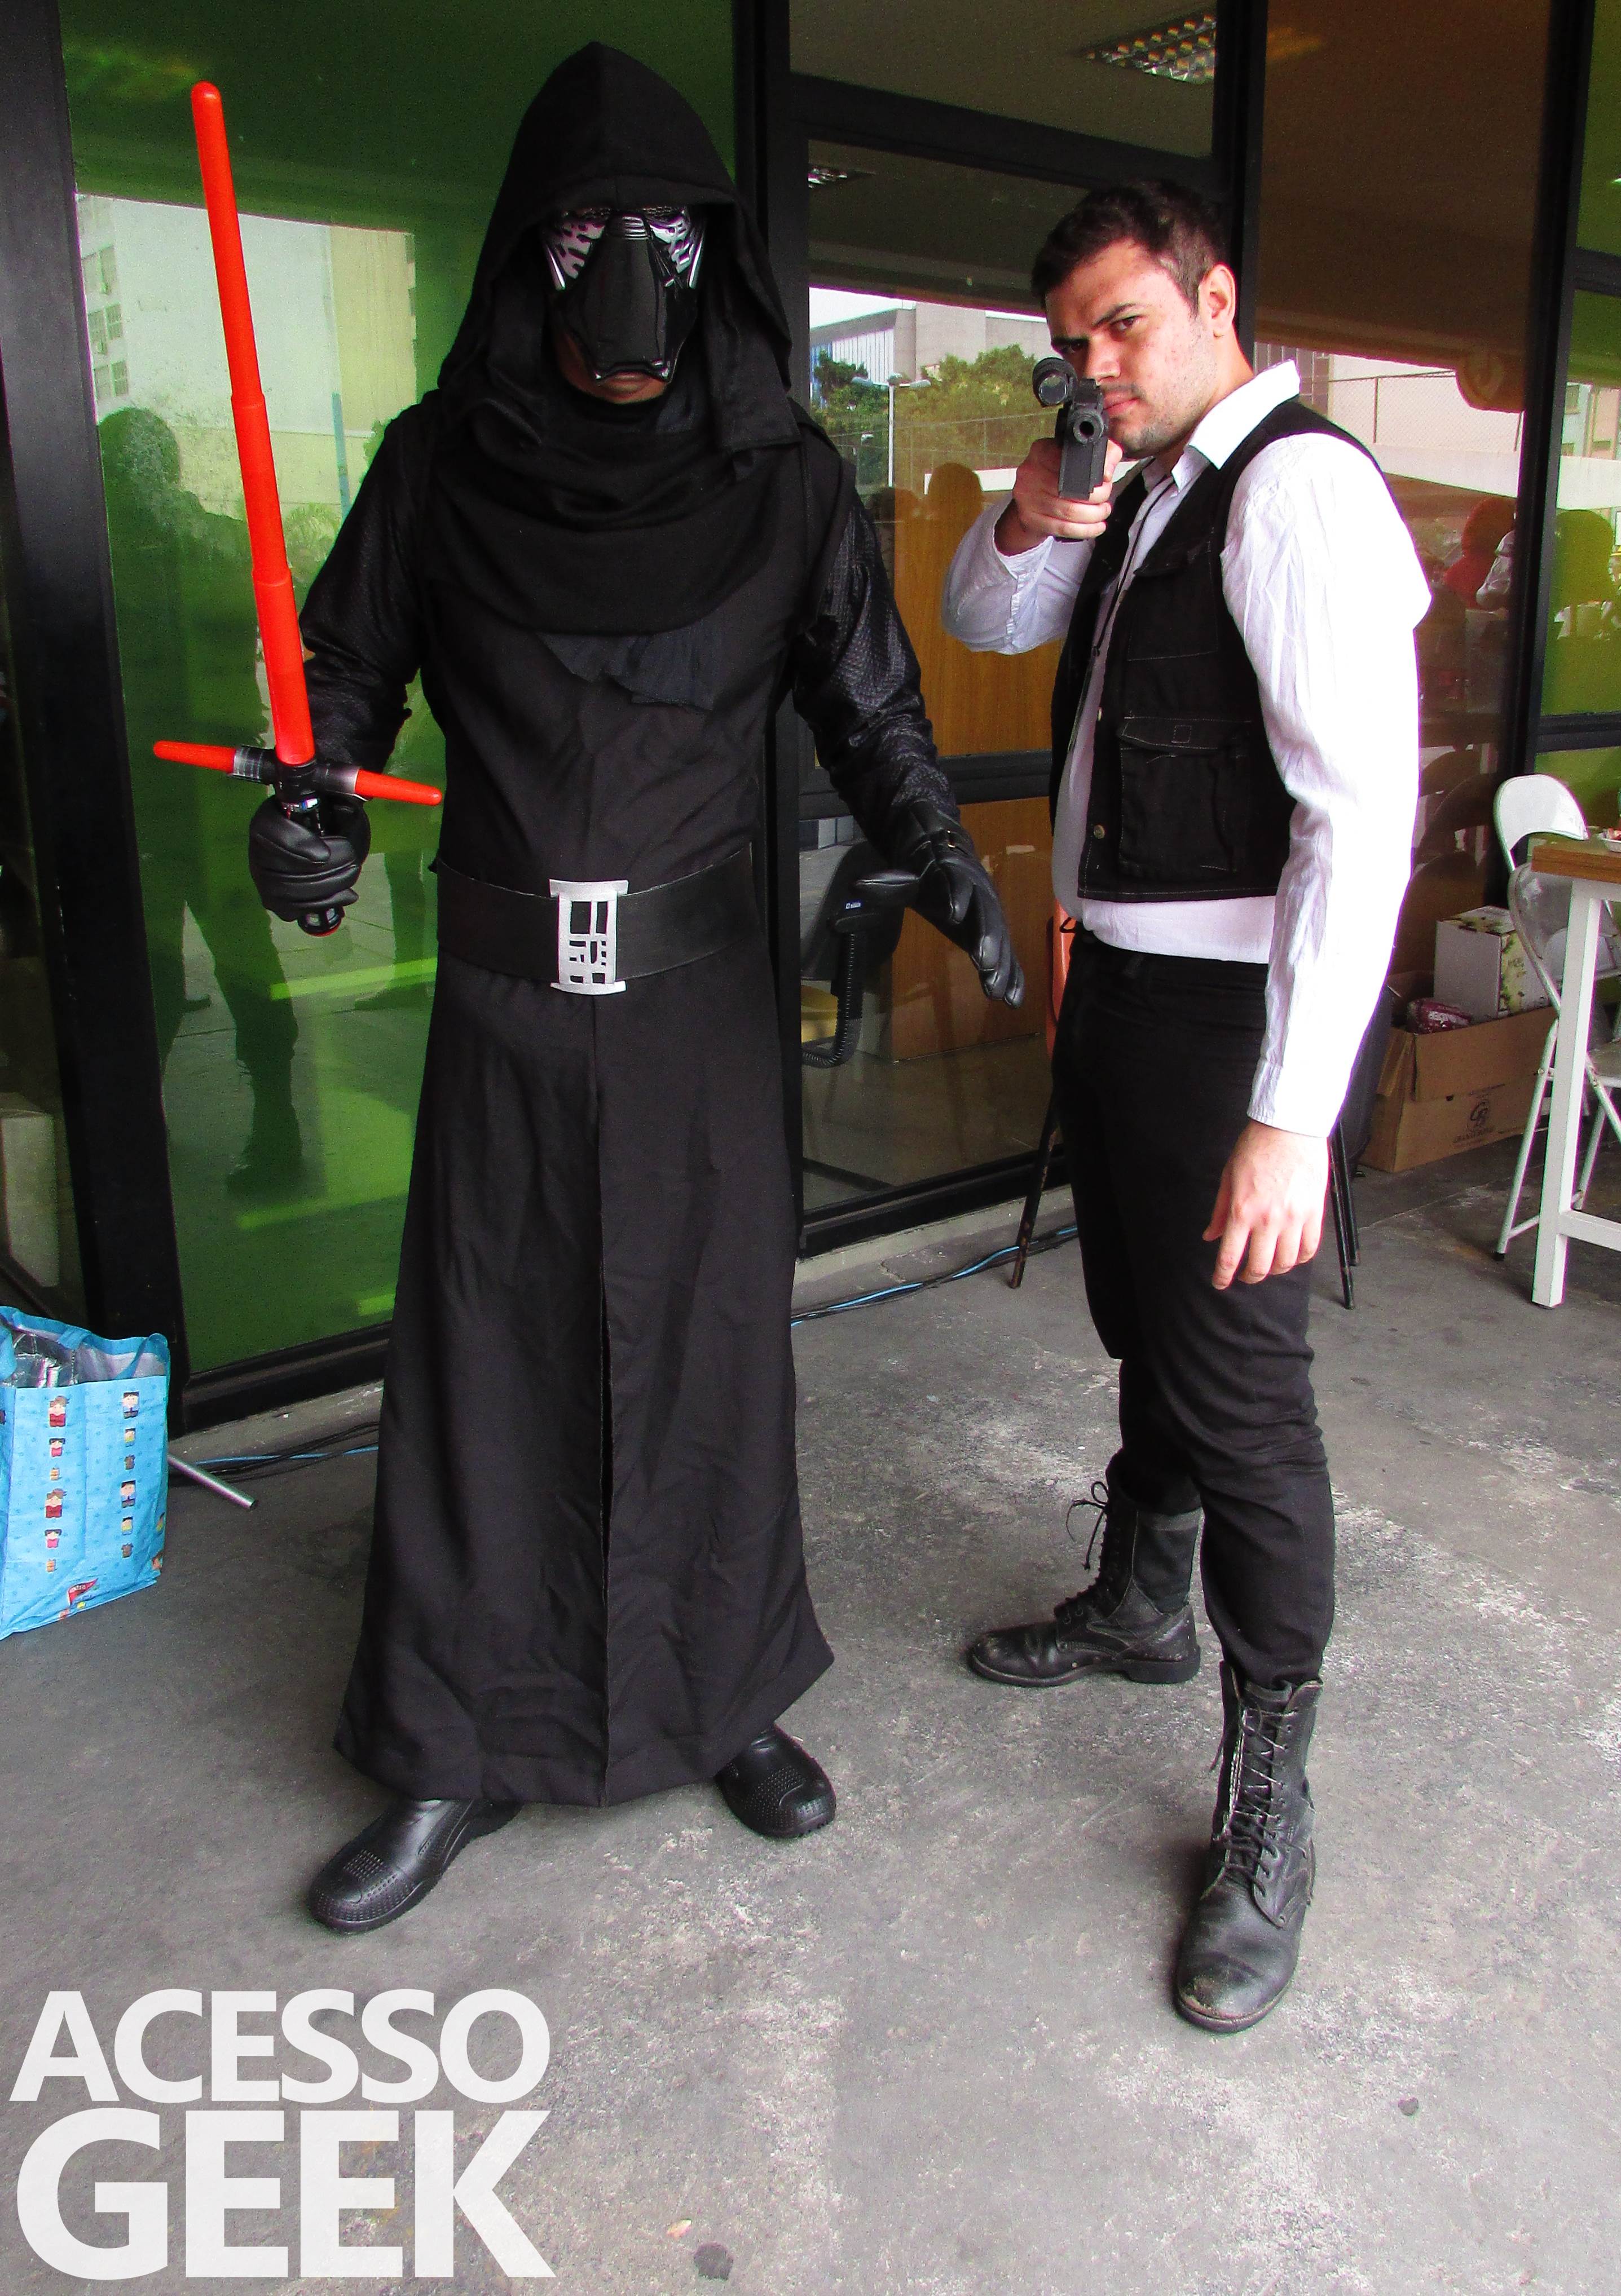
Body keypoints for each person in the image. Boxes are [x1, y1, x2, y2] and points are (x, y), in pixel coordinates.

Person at [254, 44, 1022, 1933]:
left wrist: (936, 849)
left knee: (704, 1353)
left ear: (714, 259)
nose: (623, 279)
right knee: (489, 1366)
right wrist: (307, 808)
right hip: (508, 1007)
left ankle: (720, 1695)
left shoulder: (785, 485)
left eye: (662, 238)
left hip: (693, 1008)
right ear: (529, 249)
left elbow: (868, 702)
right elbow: (340, 678)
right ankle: (454, 1745)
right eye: (587, 233)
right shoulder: (438, 469)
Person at [942, 182, 1428, 2032]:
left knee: (1241, 1399)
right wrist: (1028, 507)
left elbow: (1358, 822)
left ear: (1216, 299)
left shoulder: (1293, 491)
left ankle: (1269, 1797)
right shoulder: (1140, 484)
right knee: (1143, 1323)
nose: (1097, 366)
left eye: (1125, 324)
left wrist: (1291, 1114)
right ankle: (1141, 1607)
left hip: (1233, 1016)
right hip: (1131, 993)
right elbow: (988, 616)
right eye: (1072, 342)